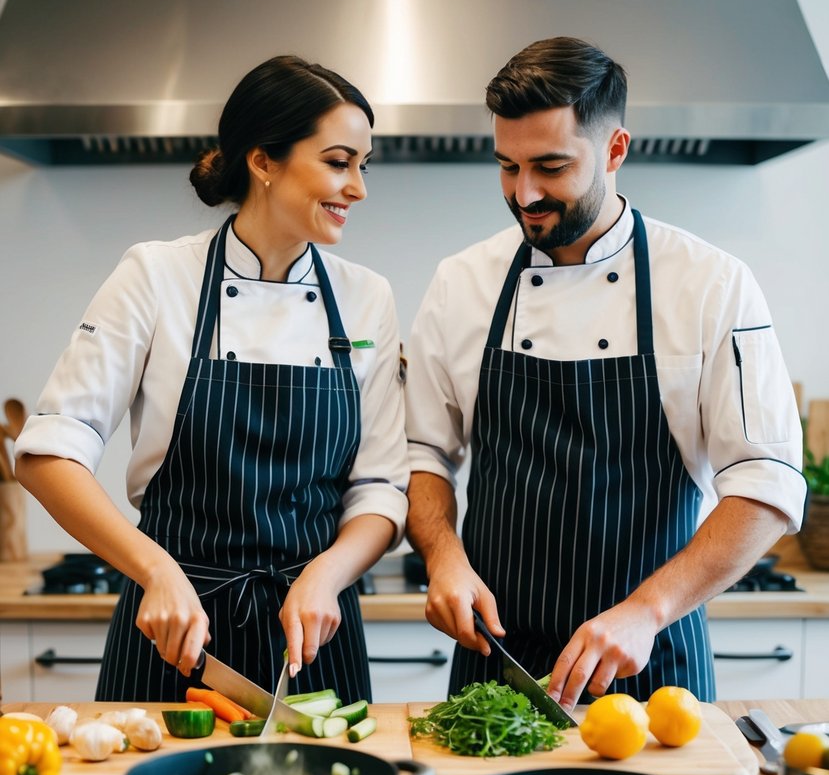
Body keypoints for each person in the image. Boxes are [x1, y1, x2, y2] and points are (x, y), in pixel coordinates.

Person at [405, 36, 805, 710]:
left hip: (646, 664)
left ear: (615, 149)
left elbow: (765, 483)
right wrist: (443, 557)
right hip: (494, 659)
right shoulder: (461, 282)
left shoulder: (710, 284)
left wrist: (647, 611)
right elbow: (422, 452)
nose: (523, 193)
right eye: (506, 166)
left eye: (550, 166)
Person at [15, 55, 408, 703]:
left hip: (314, 634)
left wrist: (327, 576)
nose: (357, 188)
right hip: (173, 627)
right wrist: (154, 571)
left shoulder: (367, 298)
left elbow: (381, 486)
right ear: (262, 161)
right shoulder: (155, 276)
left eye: (364, 166)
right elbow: (49, 454)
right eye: (339, 162)